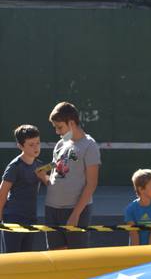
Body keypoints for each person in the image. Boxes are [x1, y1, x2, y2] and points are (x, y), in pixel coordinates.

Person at [45, 101, 101, 250]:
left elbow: (92, 183)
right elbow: (54, 170)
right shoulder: (60, 144)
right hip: (51, 208)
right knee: (56, 257)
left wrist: (76, 214)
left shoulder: (90, 145)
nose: (57, 131)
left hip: (74, 210)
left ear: (71, 123)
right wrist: (40, 173)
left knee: (75, 258)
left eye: (59, 127)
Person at [0, 125, 48, 253]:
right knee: (12, 259)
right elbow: (2, 193)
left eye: (38, 143)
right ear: (20, 146)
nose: (36, 147)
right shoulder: (14, 166)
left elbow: (49, 182)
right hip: (13, 219)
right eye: (31, 145)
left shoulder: (40, 165)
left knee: (26, 257)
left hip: (31, 219)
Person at [124, 169, 151, 245]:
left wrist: (150, 254)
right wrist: (136, 255)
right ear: (141, 189)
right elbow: (134, 235)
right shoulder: (130, 210)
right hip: (137, 252)